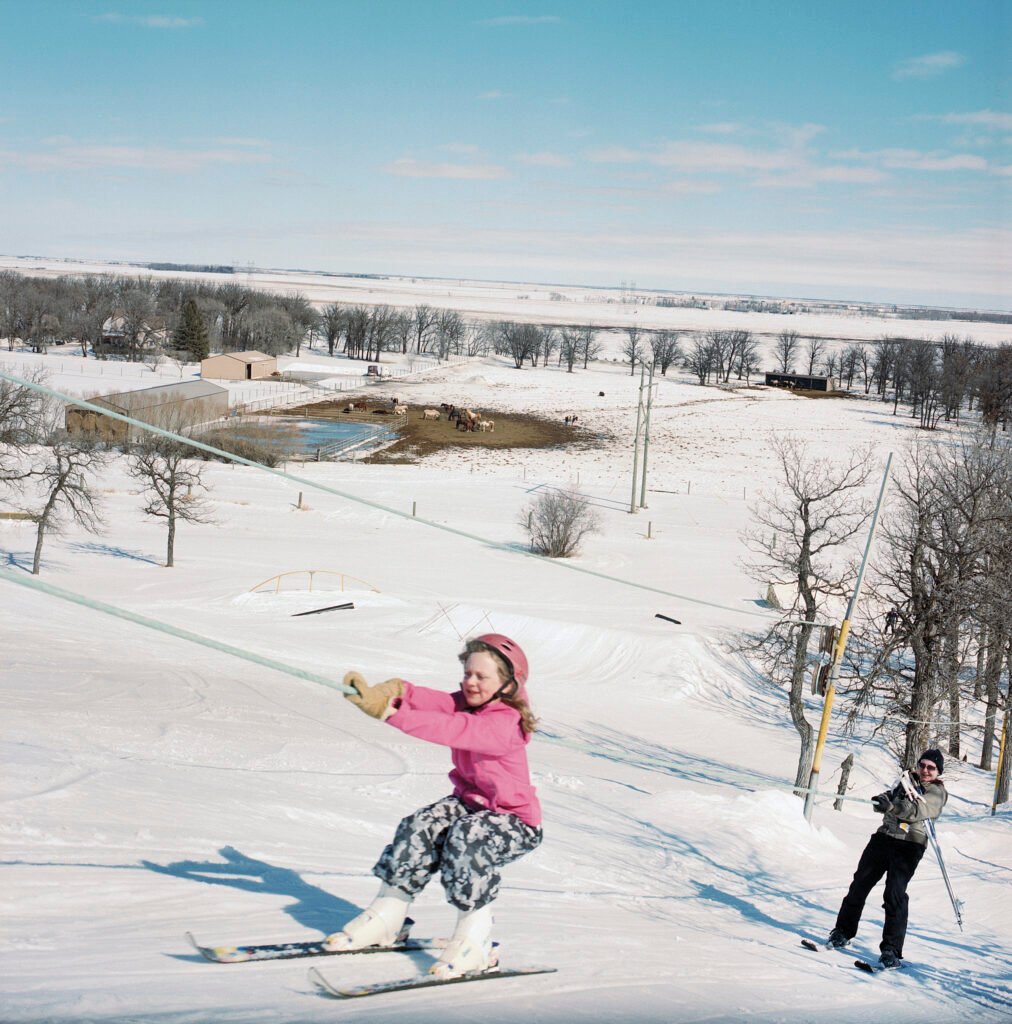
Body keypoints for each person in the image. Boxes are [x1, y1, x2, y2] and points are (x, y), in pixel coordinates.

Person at [325, 634, 542, 978]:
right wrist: (397, 691)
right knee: (421, 824)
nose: (470, 682)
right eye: (467, 673)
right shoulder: (471, 703)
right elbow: (437, 704)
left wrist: (389, 713)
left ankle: (477, 938)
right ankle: (388, 916)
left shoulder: (505, 723)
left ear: (508, 684)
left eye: (481, 677)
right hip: (470, 807)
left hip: (514, 821)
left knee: (469, 838)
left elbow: (452, 727)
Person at [823, 749, 947, 968]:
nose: (925, 771)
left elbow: (915, 810)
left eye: (931, 768)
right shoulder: (905, 781)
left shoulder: (936, 792)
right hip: (883, 838)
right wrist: (883, 799)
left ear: (938, 772)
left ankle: (891, 950)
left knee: (894, 894)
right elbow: (891, 796)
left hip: (909, 845)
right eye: (923, 765)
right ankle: (843, 931)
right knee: (859, 885)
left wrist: (892, 807)